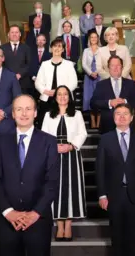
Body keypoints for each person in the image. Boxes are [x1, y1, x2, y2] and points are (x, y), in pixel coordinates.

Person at [0, 94, 60, 256]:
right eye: (19, 109)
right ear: (12, 114)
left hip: (38, 220)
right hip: (7, 220)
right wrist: (8, 211)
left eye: (28, 108)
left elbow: (52, 182)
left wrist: (35, 213)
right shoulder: (0, 140)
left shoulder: (49, 141)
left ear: (36, 113)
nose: (24, 113)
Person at [95, 103, 135, 256]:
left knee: (132, 237)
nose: (122, 116)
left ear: (132, 118)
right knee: (117, 236)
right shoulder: (106, 139)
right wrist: (102, 195)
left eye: (125, 113)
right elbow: (100, 169)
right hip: (114, 195)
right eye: (118, 113)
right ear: (114, 118)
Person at [41, 85, 87, 241]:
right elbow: (43, 135)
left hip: (72, 155)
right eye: (59, 94)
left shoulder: (77, 114)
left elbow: (83, 133)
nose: (62, 97)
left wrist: (71, 145)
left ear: (69, 97)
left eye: (65, 94)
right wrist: (54, 148)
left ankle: (68, 226)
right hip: (53, 156)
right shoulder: (48, 115)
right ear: (55, 97)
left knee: (70, 190)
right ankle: (59, 227)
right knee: (56, 189)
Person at [91, 55, 135, 134]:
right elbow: (93, 103)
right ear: (108, 68)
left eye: (118, 65)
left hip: (128, 128)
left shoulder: (131, 84)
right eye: (112, 65)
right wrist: (109, 103)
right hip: (107, 128)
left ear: (122, 67)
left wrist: (125, 101)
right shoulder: (101, 85)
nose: (115, 68)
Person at [35, 37, 77, 128]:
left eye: (59, 46)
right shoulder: (44, 64)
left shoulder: (69, 64)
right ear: (51, 48)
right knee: (45, 126)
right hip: (47, 98)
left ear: (63, 49)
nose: (57, 48)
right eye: (54, 46)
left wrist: (60, 92)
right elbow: (38, 82)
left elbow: (74, 83)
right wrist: (45, 91)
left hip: (63, 99)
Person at [0, 25, 32, 94]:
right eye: (12, 32)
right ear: (8, 34)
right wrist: (10, 75)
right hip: (7, 81)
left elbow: (29, 64)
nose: (14, 34)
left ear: (20, 34)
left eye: (16, 32)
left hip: (23, 82)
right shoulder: (2, 48)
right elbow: (0, 64)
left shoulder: (26, 48)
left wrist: (19, 74)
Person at [82, 32, 102, 128]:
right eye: (91, 37)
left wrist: (97, 72)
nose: (93, 39)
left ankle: (98, 122)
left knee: (99, 98)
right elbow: (84, 64)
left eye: (95, 37)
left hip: (100, 76)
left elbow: (104, 63)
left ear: (98, 39)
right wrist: (90, 73)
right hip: (89, 77)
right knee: (89, 98)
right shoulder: (86, 50)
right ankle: (93, 121)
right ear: (89, 39)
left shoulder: (102, 50)